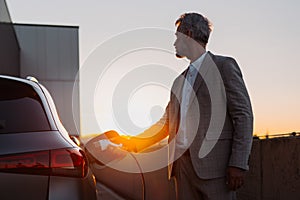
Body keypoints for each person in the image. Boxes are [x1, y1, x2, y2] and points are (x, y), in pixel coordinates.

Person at [110, 12, 253, 200]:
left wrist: (238, 163)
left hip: (216, 170)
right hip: (182, 169)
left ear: (188, 34)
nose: (174, 43)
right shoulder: (179, 82)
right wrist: (133, 142)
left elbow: (243, 115)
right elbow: (165, 123)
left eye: (177, 36)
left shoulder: (224, 66)